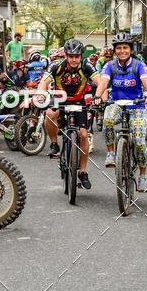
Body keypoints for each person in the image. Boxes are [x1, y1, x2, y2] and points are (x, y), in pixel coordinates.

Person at [94, 32, 147, 193]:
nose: (122, 51)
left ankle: (143, 177)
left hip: (137, 105)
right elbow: (104, 82)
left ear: (131, 49)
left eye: (125, 48)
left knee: (139, 142)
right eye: (119, 48)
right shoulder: (109, 66)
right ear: (115, 50)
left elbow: (145, 80)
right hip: (117, 104)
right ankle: (111, 153)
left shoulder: (138, 65)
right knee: (107, 120)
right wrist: (97, 96)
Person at [39, 39, 100, 190]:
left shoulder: (87, 65)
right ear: (65, 55)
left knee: (84, 135)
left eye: (76, 56)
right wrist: (40, 95)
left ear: (81, 56)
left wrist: (100, 97)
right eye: (70, 56)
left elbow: (100, 82)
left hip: (79, 101)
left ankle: (83, 172)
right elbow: (43, 82)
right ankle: (54, 144)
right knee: (49, 114)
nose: (73, 59)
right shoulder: (56, 65)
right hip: (60, 98)